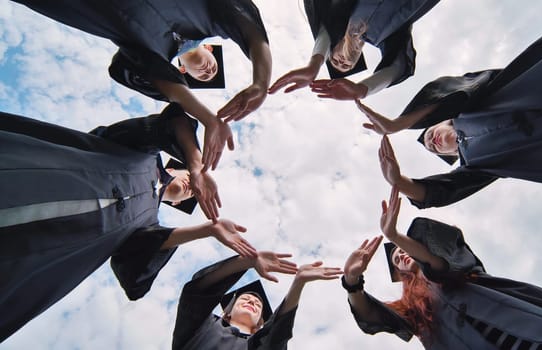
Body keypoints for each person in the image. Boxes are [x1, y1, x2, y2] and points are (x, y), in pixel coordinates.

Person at [0, 106, 257, 342]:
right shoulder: (140, 153)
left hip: (23, 255)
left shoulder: (145, 224)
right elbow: (176, 121)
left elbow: (136, 279)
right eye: (187, 176)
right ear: (176, 167)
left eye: (191, 194)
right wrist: (198, 167)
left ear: (178, 204)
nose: (190, 186)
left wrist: (207, 230)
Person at [357, 0, 542, 208]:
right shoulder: (479, 163)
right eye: (432, 146)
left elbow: (452, 93)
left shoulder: (475, 101)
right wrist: (399, 182)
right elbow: (441, 192)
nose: (431, 140)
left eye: (428, 133)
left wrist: (400, 123)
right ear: (452, 157)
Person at [342, 187, 542, 349]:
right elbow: (374, 316)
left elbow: (439, 264)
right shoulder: (413, 308)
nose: (400, 255)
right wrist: (352, 281)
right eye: (396, 259)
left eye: (403, 251)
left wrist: (397, 237)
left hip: (526, 331)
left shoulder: (454, 263)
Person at [11, 0, 273, 170]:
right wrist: (261, 82)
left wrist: (208, 119)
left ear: (183, 71)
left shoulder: (148, 54)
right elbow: (245, 20)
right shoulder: (206, 14)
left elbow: (165, 85)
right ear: (210, 49)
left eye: (204, 76)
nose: (207, 70)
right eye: (212, 66)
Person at [268, 0, 439, 100]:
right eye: (347, 65)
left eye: (334, 60)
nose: (342, 62)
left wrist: (315, 64)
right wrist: (362, 89)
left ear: (332, 49)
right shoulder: (385, 38)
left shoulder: (341, 11)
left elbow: (327, 30)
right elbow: (399, 66)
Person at [172, 252, 343, 349]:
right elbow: (196, 294)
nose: (252, 302)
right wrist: (248, 261)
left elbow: (277, 334)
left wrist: (298, 284)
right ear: (227, 311)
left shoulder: (259, 346)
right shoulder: (204, 326)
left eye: (258, 304)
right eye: (245, 298)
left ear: (261, 321)